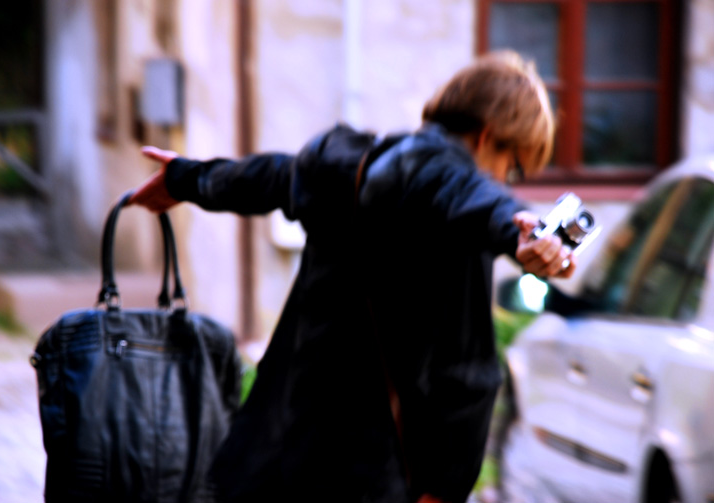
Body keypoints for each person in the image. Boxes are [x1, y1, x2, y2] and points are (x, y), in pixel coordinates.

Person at [129, 50, 574, 503]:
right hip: (373, 475)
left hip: (276, 455)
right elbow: (469, 375)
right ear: (486, 137)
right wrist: (517, 230)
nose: (504, 181)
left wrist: (184, 178)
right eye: (512, 166)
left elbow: (268, 177)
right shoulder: (457, 205)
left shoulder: (343, 166)